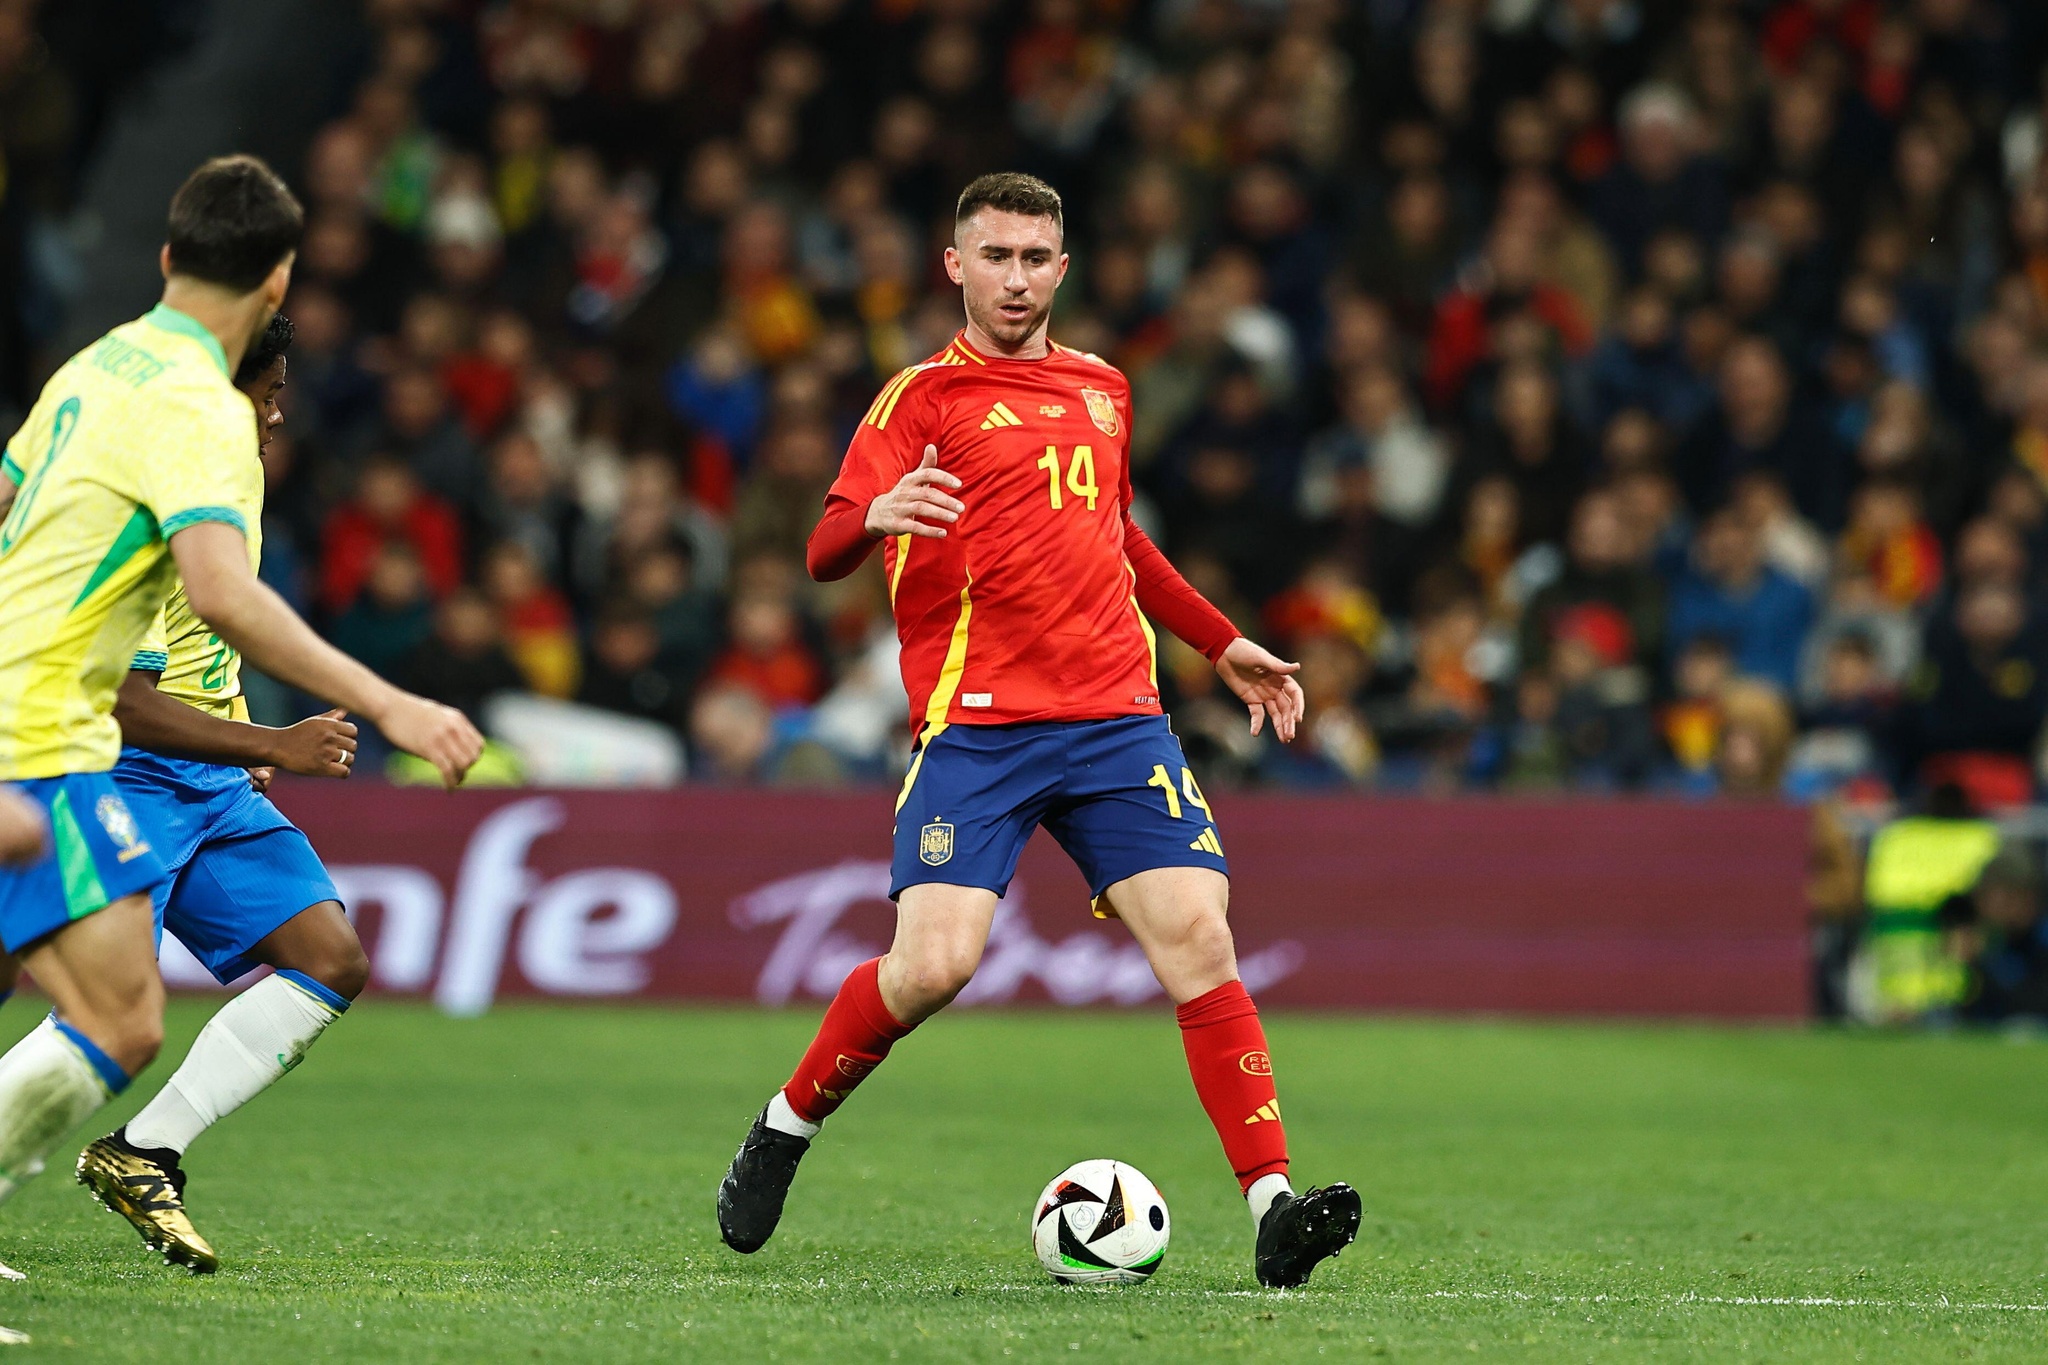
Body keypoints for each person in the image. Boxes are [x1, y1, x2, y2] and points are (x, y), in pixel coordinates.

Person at [716, 173, 1360, 1289]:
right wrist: (872, 515)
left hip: (1117, 719)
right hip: (979, 730)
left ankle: (1272, 1207)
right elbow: (821, 545)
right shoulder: (918, 399)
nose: (1015, 278)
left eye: (1034, 258)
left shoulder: (1105, 390)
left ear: (1062, 269)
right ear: (953, 266)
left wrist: (1218, 641)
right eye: (995, 256)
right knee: (933, 967)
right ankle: (783, 1124)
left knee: (1200, 937)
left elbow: (1120, 539)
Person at [0, 156, 481, 1272]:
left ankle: (142, 1152)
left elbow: (17, 509)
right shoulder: (204, 412)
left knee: (134, 1006)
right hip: (65, 736)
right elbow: (219, 593)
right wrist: (384, 703)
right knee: (109, 1016)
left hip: (57, 726)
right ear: (279, 282)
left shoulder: (92, 369)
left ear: (169, 258)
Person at [54, 316, 363, 1273]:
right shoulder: (153, 490)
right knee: (105, 1018)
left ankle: (143, 1151)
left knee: (330, 957)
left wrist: (233, 730)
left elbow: (201, 637)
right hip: (124, 772)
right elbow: (123, 696)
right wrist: (271, 737)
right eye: (265, 393)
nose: (279, 414)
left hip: (210, 776)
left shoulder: (239, 481)